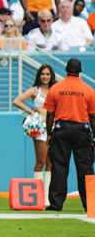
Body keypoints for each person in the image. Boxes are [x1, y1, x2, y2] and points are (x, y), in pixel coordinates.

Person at [44, 58, 95, 211]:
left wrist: (49, 133)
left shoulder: (56, 88)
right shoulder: (88, 90)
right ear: (80, 71)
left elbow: (50, 114)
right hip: (82, 130)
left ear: (66, 69)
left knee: (59, 167)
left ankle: (56, 203)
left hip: (62, 129)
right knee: (85, 169)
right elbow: (93, 116)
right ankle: (91, 204)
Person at [12, 64, 56, 206]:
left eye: (47, 74)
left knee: (50, 163)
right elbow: (17, 101)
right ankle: (38, 196)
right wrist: (32, 112)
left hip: (54, 128)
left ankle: (47, 197)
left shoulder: (55, 90)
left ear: (51, 76)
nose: (45, 77)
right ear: (39, 75)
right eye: (42, 74)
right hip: (40, 128)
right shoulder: (34, 90)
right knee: (40, 161)